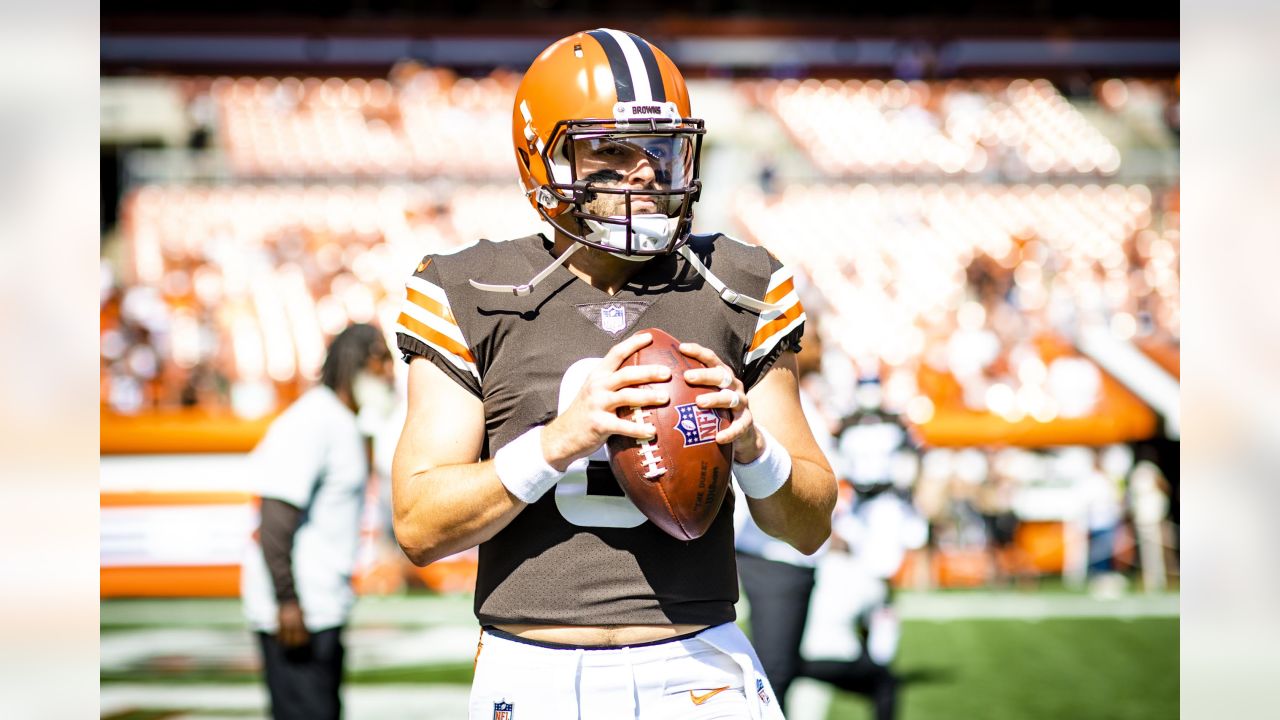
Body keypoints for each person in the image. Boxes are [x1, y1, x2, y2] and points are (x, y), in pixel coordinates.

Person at [391, 28, 837, 720]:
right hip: (533, 670)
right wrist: (557, 441)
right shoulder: (470, 287)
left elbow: (809, 525)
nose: (645, 174)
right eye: (610, 150)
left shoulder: (739, 281)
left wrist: (753, 449)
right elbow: (420, 527)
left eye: (660, 150)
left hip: (699, 665)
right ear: (543, 158)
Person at [240, 323, 395, 720]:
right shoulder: (313, 420)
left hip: (321, 602)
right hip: (300, 609)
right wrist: (288, 602)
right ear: (354, 362)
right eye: (382, 359)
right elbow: (275, 516)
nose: (390, 372)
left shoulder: (344, 421)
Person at [734, 319, 836, 715]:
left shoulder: (809, 397)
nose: (821, 351)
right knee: (775, 670)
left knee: (780, 665)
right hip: (775, 550)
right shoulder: (781, 398)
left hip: (779, 547)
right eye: (814, 342)